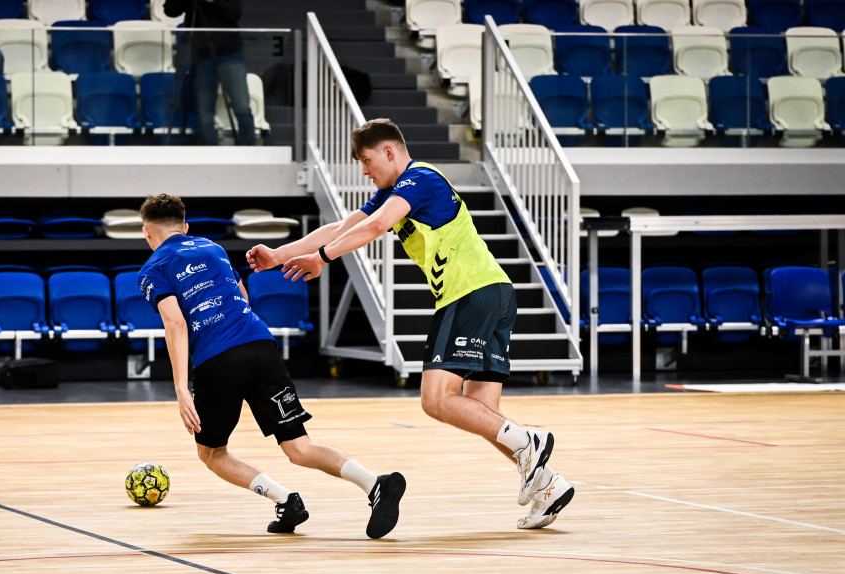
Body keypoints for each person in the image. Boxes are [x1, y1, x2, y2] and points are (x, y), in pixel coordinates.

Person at [246, 118, 575, 530]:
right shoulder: (394, 191)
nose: (365, 171)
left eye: (367, 161)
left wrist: (323, 259)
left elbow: (375, 226)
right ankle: (548, 485)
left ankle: (532, 441)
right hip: (494, 292)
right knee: (483, 413)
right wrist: (280, 254)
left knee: (436, 399)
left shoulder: (419, 179)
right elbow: (345, 225)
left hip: (468, 293)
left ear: (389, 152)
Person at [138, 193, 405, 537]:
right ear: (185, 228)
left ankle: (285, 499)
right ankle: (375, 484)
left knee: (212, 453)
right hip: (260, 345)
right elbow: (243, 297)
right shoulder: (213, 248)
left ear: (147, 233)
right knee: (299, 447)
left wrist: (180, 388)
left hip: (217, 359)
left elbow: (175, 324)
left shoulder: (153, 268)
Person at [163, 0, 255, 146]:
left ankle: (250, 153)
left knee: (242, 106)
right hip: (202, 55)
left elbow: (235, 14)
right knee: (204, 112)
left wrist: (212, 2)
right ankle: (211, 154)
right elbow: (170, 10)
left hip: (230, 53)